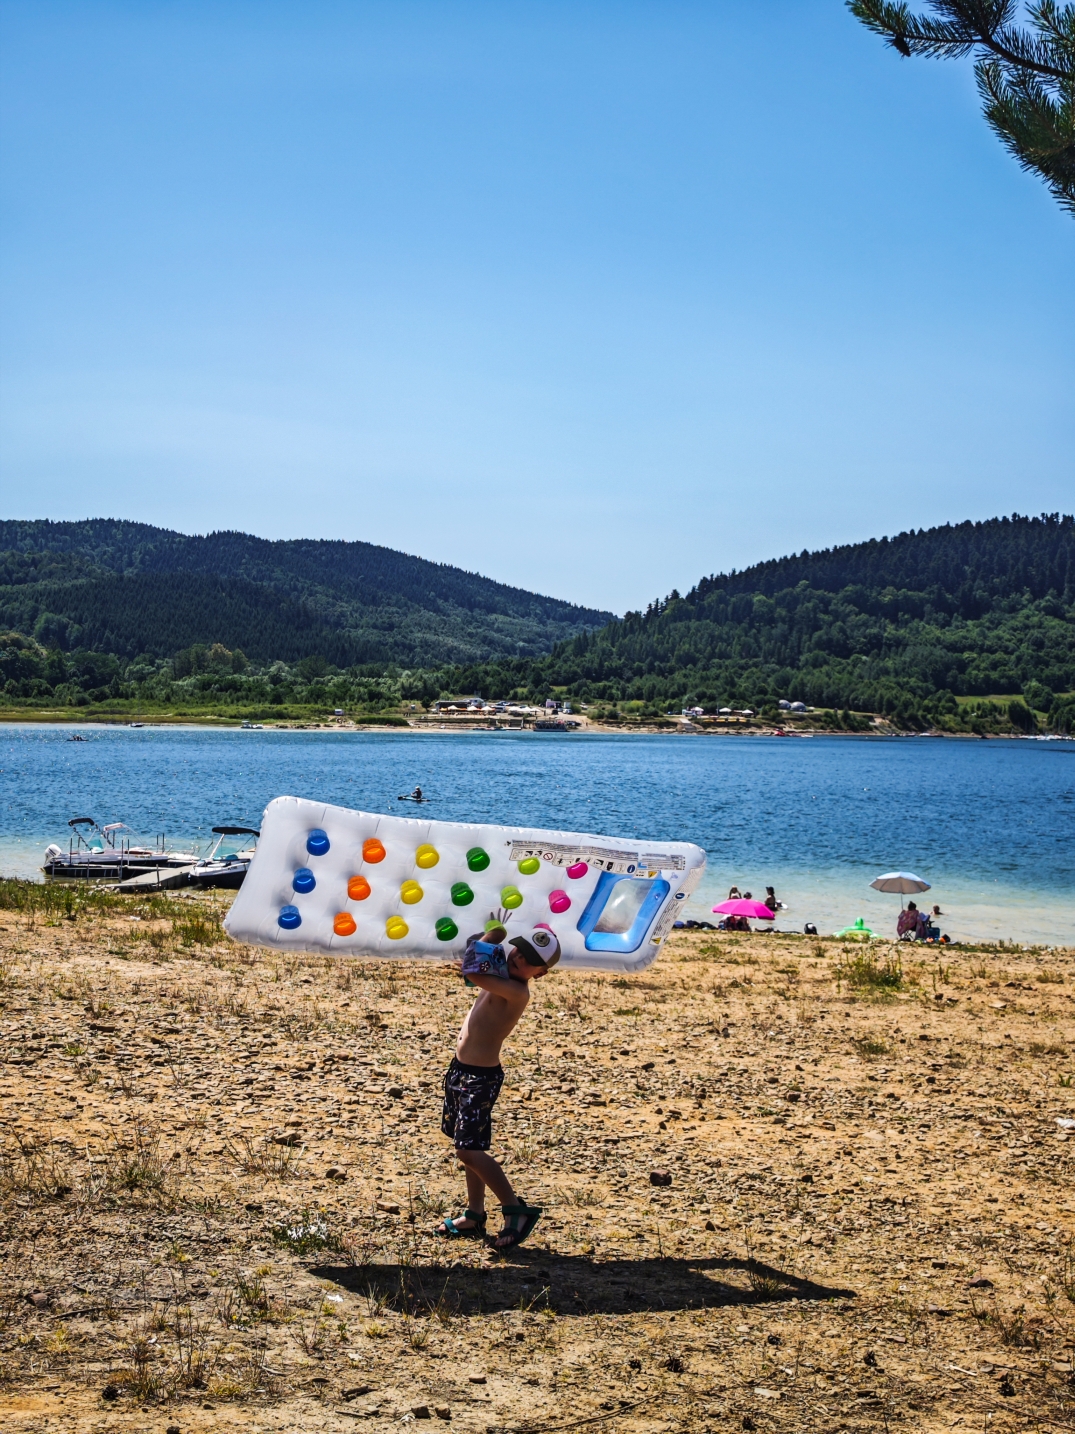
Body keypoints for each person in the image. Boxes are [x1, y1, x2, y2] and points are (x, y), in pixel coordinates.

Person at [435, 922, 560, 1249]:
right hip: (461, 1071)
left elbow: (471, 969)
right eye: (520, 949)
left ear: (541, 973)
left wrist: (495, 934)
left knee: (468, 1150)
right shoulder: (502, 973)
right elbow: (471, 967)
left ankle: (515, 1208)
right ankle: (475, 1214)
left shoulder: (517, 992)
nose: (519, 958)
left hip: (479, 1079)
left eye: (531, 959)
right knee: (469, 1147)